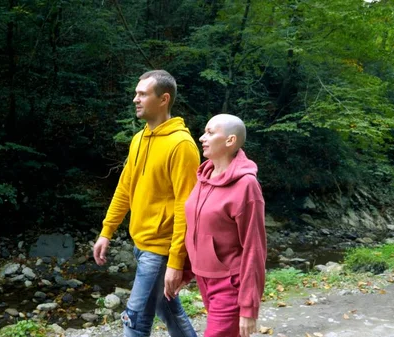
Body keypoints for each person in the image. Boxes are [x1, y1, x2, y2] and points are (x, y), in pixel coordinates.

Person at [92, 70, 200, 337]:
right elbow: (125, 188)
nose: (135, 99)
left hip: (160, 249)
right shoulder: (139, 139)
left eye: (142, 94)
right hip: (141, 243)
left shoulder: (182, 145)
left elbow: (186, 209)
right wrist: (107, 231)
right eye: (136, 93)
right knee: (168, 310)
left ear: (163, 99)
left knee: (135, 320)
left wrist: (176, 262)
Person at [183, 114, 267, 337]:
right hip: (204, 278)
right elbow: (194, 228)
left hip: (230, 285)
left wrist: (249, 308)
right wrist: (183, 271)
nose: (202, 137)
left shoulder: (246, 185)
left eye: (210, 133)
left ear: (230, 140)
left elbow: (254, 249)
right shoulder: (204, 176)